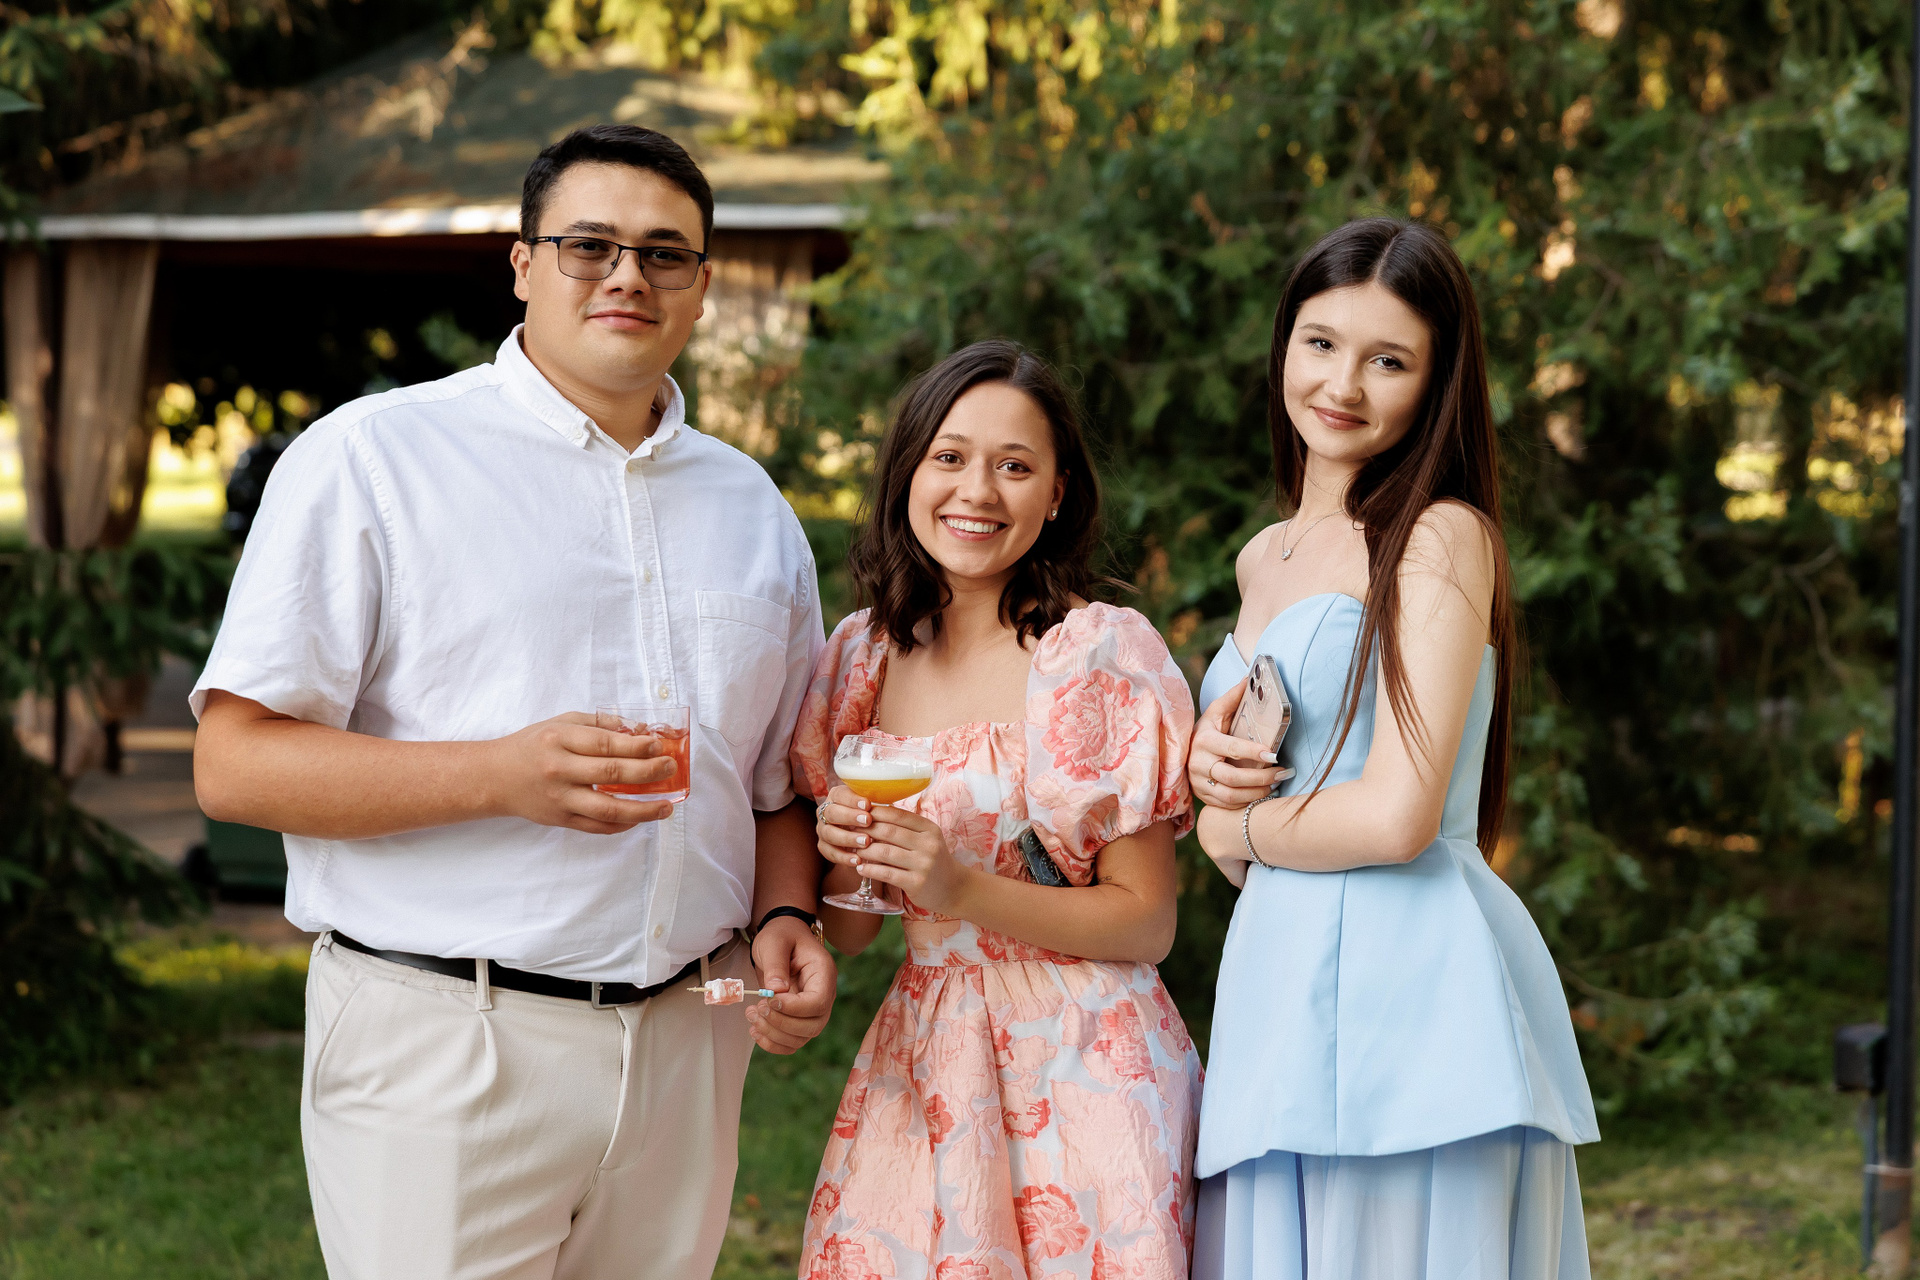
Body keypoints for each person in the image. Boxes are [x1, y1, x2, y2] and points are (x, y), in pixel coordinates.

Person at [191, 124, 835, 1280]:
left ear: (700, 287)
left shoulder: (752, 507)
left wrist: (790, 914)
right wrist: (500, 773)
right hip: (448, 1041)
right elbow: (233, 762)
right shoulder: (374, 459)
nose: (627, 275)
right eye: (591, 245)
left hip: (688, 1046)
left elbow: (776, 781)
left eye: (664, 252)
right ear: (525, 265)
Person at [1185, 218, 1599, 1280]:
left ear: (1436, 382)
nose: (1342, 384)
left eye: (1388, 360)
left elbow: (1400, 813)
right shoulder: (1262, 556)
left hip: (1415, 987)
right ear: (1284, 342)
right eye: (1321, 342)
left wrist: (1232, 826)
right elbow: (1270, 797)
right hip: (1279, 977)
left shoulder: (1440, 534)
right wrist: (1210, 780)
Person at [791, 339, 1203, 1280]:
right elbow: (853, 931)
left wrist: (962, 887)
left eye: (1015, 466)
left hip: (1085, 1060)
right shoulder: (861, 659)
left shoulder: (1094, 656)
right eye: (950, 457)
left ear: (1056, 494)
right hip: (928, 1050)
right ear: (908, 472)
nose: (977, 490)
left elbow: (1146, 923)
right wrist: (847, 851)